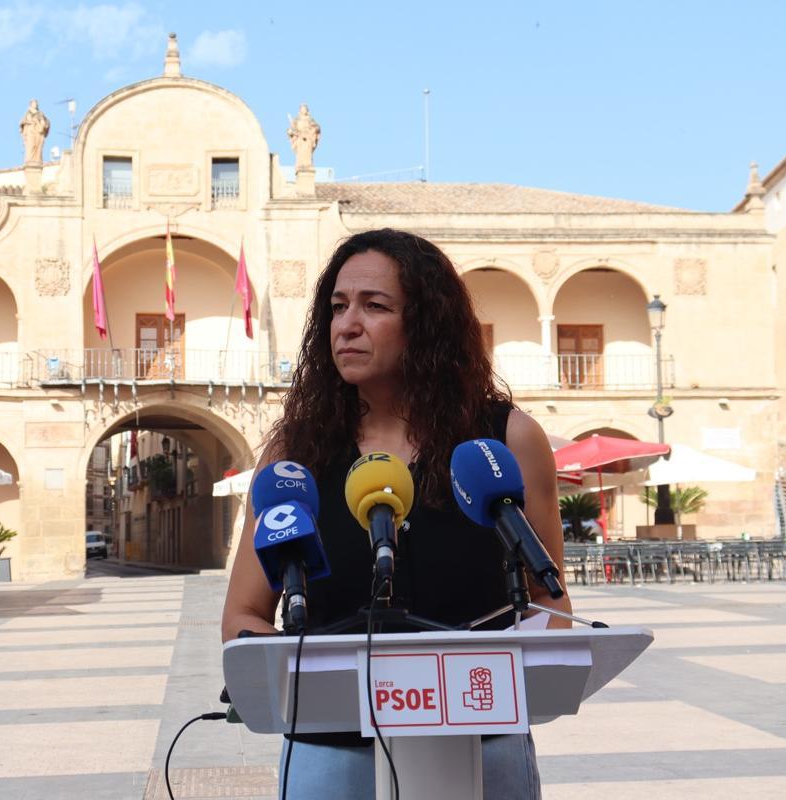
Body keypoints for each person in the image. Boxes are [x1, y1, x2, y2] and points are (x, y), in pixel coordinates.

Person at [221, 228, 572, 798]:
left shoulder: (506, 442)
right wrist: (331, 680)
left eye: (374, 305)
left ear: (426, 322)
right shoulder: (294, 455)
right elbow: (243, 614)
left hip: (481, 743)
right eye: (338, 306)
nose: (347, 324)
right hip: (331, 752)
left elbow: (548, 599)